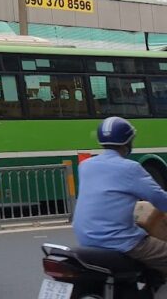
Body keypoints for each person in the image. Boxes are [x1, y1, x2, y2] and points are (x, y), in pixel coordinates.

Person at [73, 117, 167, 280]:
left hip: (86, 239)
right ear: (128, 142)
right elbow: (160, 200)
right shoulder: (130, 168)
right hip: (120, 242)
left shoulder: (86, 166)